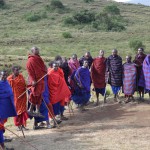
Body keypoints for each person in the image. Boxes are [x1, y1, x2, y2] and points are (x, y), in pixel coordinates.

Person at [26, 46, 47, 117]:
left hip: (41, 79)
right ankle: (30, 110)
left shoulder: (39, 58)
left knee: (39, 95)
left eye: (38, 49)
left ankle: (37, 111)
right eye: (36, 49)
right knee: (35, 95)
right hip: (35, 81)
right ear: (32, 51)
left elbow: (42, 67)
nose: (38, 50)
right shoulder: (30, 60)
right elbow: (30, 71)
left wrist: (45, 70)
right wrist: (33, 80)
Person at [7, 66, 28, 131]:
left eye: (18, 70)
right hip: (15, 98)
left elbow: (24, 85)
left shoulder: (21, 76)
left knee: (23, 112)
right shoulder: (9, 78)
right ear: (13, 71)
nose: (18, 72)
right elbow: (8, 89)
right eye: (16, 70)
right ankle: (18, 126)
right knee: (17, 112)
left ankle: (23, 125)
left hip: (22, 97)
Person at [0, 71, 17, 150]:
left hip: (4, 109)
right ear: (0, 75)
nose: (4, 77)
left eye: (6, 75)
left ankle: (3, 145)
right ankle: (3, 147)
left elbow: (10, 94)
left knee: (1, 127)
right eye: (3, 75)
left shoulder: (6, 83)